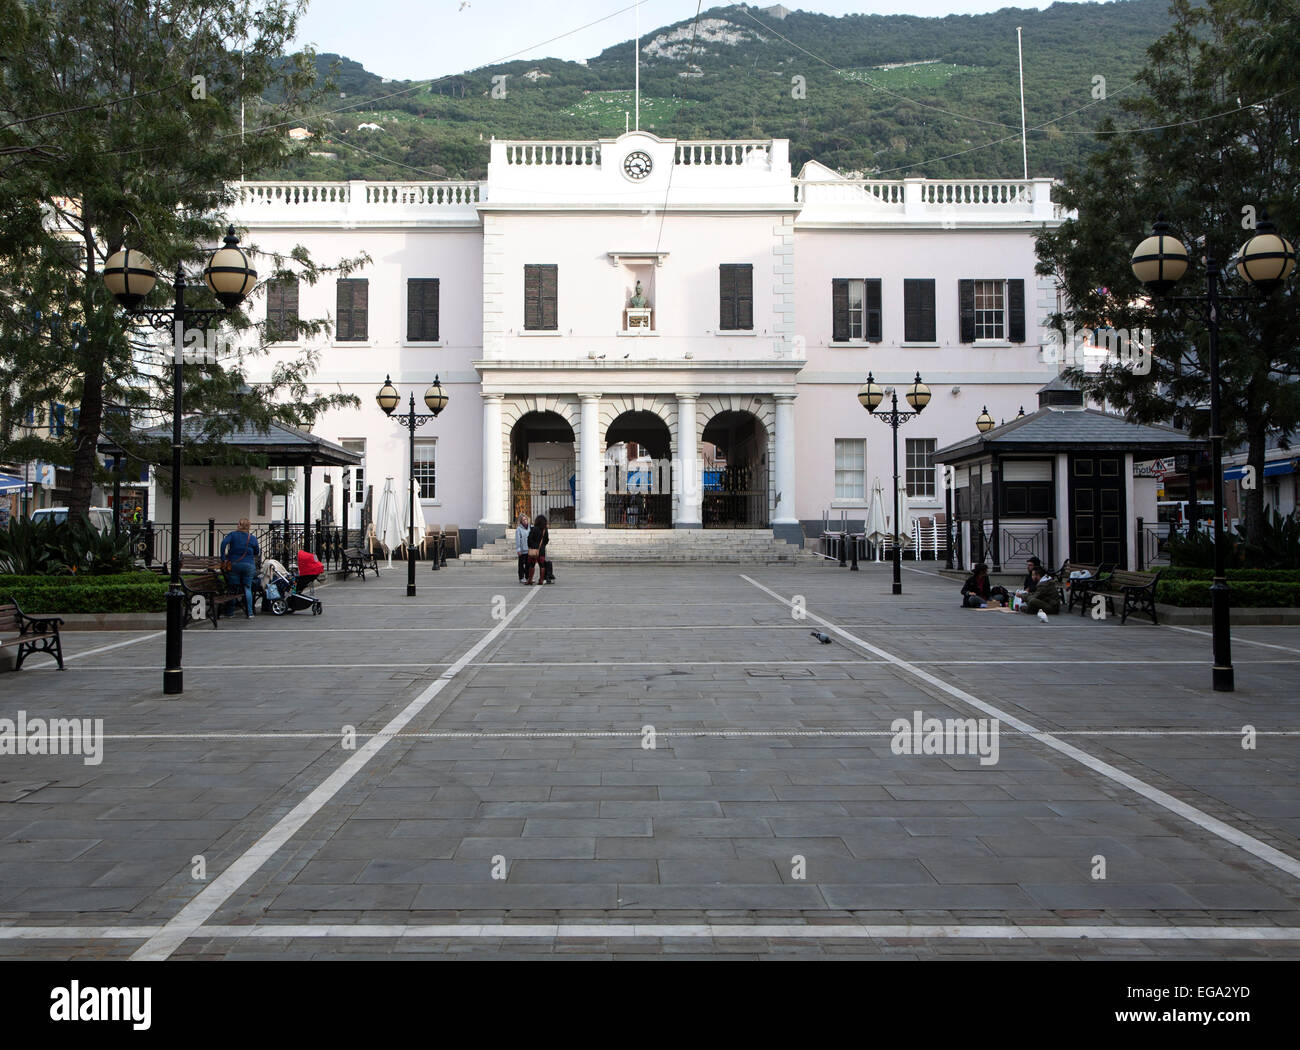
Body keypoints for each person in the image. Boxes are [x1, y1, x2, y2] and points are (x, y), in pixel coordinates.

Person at [220, 518, 261, 618]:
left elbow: (223, 543)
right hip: (249, 565)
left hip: (234, 564)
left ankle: (230, 612)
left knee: (233, 588)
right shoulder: (252, 538)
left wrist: (223, 557)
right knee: (247, 587)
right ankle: (250, 613)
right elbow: (257, 552)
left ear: (239, 525)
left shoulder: (233, 535)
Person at [525, 513, 549, 585]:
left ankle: (530, 580)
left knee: (532, 565)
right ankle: (541, 580)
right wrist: (543, 546)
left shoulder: (533, 529)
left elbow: (529, 539)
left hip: (533, 550)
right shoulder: (545, 530)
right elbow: (546, 540)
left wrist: (531, 546)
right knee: (542, 565)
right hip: (541, 550)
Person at [515, 513, 531, 584]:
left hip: (529, 549)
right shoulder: (519, 529)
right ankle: (521, 577)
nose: (525, 521)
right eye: (523, 520)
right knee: (521, 565)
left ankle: (527, 577)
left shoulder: (530, 527)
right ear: (521, 521)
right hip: (522, 550)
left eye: (526, 519)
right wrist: (518, 549)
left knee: (528, 564)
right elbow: (518, 539)